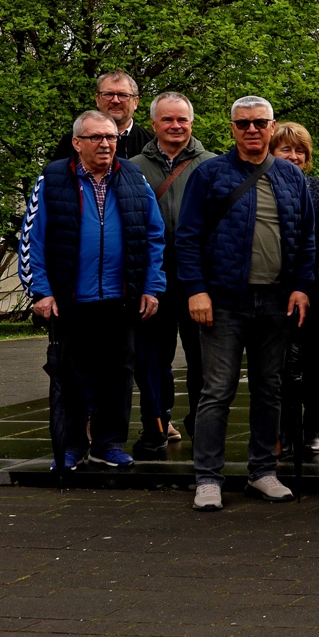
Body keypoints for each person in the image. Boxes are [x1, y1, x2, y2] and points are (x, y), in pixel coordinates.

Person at [176, 95, 315, 511]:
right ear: (232, 128)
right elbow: (188, 237)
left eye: (259, 122)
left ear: (272, 127)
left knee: (269, 388)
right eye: (243, 123)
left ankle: (262, 472)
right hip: (223, 301)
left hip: (276, 299)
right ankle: (208, 478)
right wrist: (195, 289)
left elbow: (307, 236)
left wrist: (302, 285)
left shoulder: (290, 176)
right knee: (217, 390)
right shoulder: (209, 174)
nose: (252, 130)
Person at [24, 111, 166, 471]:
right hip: (71, 299)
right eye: (96, 137)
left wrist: (152, 286)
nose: (105, 144)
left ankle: (108, 444)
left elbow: (154, 235)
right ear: (77, 143)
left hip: (122, 298)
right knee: (71, 375)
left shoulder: (133, 176)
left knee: (118, 375)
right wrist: (40, 291)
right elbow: (32, 238)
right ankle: (72, 445)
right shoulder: (52, 178)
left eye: (111, 137)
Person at [126, 92, 210, 458]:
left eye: (182, 119)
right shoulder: (131, 168)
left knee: (202, 360)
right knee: (152, 361)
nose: (176, 126)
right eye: (167, 119)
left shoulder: (212, 165)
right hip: (152, 278)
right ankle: (156, 425)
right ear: (154, 124)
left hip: (198, 279)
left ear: (191, 122)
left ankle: (203, 426)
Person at [269, 121, 319, 457]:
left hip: (316, 291)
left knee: (316, 366)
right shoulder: (262, 187)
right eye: (286, 149)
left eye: (300, 151)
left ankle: (312, 428)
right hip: (275, 289)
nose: (294, 156)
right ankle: (283, 430)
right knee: (278, 367)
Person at [51, 71, 155, 160]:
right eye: (108, 94)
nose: (115, 100)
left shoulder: (153, 143)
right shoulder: (74, 141)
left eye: (123, 95)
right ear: (97, 99)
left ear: (135, 102)